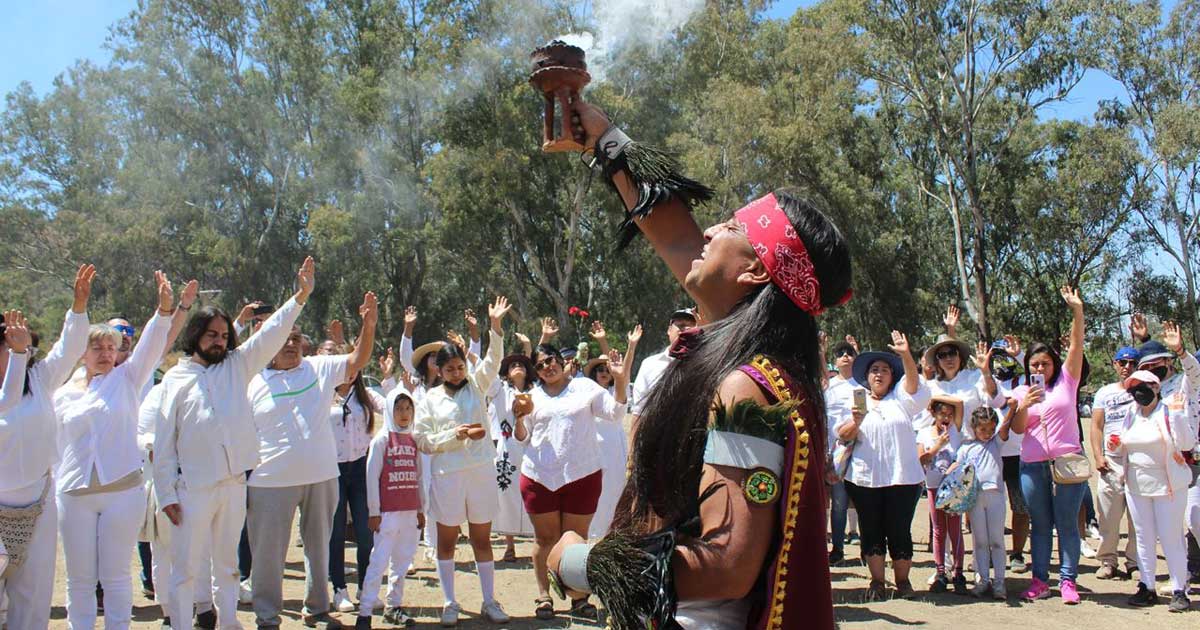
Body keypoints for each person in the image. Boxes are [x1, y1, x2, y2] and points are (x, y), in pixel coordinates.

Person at [547, 100, 851, 629]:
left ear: (757, 269)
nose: (708, 230)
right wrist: (604, 140)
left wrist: (577, 563)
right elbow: (673, 234)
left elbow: (727, 566)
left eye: (731, 227)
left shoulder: (747, 389)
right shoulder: (753, 365)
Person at [152, 257, 316, 630]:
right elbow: (163, 444)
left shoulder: (237, 365)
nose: (219, 341)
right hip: (190, 490)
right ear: (196, 336)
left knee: (228, 566)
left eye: (225, 336)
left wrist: (300, 298)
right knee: (185, 571)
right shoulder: (176, 379)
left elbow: (271, 334)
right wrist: (167, 495)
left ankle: (228, 622)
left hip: (233, 484)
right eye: (212, 335)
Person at [53, 271, 178, 629]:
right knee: (79, 579)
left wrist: (164, 310)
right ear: (82, 353)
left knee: (116, 576)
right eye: (98, 348)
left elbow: (152, 346)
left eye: (112, 348)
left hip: (123, 493)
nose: (107, 353)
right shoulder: (62, 394)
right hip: (74, 495)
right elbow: (53, 446)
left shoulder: (127, 379)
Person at [246, 292, 378, 630]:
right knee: (268, 555)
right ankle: (267, 615)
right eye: (283, 338)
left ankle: (317, 610)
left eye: (295, 338)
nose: (291, 343)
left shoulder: (317, 368)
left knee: (319, 548)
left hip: (322, 476)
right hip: (269, 481)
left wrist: (369, 324)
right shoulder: (249, 379)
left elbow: (357, 359)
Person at [0, 265, 94, 630]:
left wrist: (79, 307)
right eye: (9, 345)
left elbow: (69, 349)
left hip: (38, 502)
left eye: (20, 345)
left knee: (33, 594)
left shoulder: (38, 378)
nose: (17, 351)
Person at [412, 296, 512, 627]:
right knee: (447, 541)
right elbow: (422, 440)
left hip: (480, 472)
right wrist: (454, 435)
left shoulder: (477, 386)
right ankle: (449, 602)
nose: (456, 373)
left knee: (482, 539)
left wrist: (494, 326)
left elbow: (494, 360)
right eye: (449, 369)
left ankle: (488, 600)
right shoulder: (429, 399)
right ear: (438, 370)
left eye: (460, 367)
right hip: (447, 475)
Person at [516, 344, 629, 620]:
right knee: (545, 539)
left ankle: (579, 599)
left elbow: (615, 412)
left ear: (561, 360)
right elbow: (522, 437)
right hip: (538, 475)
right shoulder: (530, 397)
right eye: (540, 365)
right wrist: (518, 416)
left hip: (582, 474)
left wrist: (621, 379)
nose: (547, 367)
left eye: (551, 360)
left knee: (574, 540)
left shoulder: (585, 388)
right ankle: (544, 596)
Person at [1009, 286, 1088, 605]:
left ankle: (1068, 581)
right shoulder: (1021, 392)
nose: (1039, 370)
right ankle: (1040, 580)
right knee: (1040, 525)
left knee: (1067, 524)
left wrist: (1077, 312)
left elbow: (1077, 344)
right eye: (1034, 365)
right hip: (1032, 466)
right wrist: (1024, 404)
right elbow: (1016, 429)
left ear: (1054, 364)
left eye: (1044, 364)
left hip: (1068, 463)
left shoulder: (1068, 382)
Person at [838, 339, 930, 601]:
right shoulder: (855, 401)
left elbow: (914, 385)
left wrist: (905, 355)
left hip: (904, 478)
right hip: (864, 479)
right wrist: (856, 421)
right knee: (871, 530)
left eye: (885, 370)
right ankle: (877, 582)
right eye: (874, 370)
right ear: (867, 376)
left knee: (899, 530)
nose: (879, 373)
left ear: (892, 376)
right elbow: (843, 435)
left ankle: (903, 582)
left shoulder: (901, 398)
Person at [1118, 336, 1196, 613]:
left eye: (1144, 386)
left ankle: (1179, 589)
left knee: (1171, 537)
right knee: (1143, 536)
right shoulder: (1130, 414)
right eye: (1134, 387)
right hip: (1136, 486)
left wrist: (1177, 418)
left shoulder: (1170, 409)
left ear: (1156, 386)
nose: (1139, 391)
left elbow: (1186, 444)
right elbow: (1120, 446)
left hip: (1168, 487)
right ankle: (1147, 585)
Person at [356, 389, 424, 630]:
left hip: (409, 511)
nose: (404, 414)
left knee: (402, 561)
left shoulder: (414, 440)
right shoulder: (382, 440)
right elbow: (372, 477)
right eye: (398, 408)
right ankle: (364, 612)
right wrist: (374, 512)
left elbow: (419, 476)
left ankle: (393, 606)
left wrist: (420, 508)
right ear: (388, 410)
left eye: (408, 408)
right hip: (387, 513)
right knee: (379, 561)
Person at [329, 362, 388, 614]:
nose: (349, 374)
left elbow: (392, 406)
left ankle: (365, 587)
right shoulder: (323, 394)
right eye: (344, 368)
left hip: (361, 467)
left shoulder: (365, 394)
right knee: (336, 531)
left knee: (366, 532)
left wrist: (389, 380)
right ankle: (339, 589)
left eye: (354, 368)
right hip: (332, 469)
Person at [1090, 346, 1142, 580]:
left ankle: (1135, 561)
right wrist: (1098, 456)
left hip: (1138, 461)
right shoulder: (1104, 392)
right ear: (1115, 365)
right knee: (1108, 516)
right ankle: (1108, 560)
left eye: (1132, 363)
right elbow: (1096, 426)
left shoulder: (1145, 389)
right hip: (1111, 461)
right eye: (1122, 362)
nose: (1126, 367)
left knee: (1138, 517)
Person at [589, 324, 642, 540]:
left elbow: (623, 369)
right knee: (594, 494)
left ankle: (611, 535)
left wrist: (631, 345)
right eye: (600, 370)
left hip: (614, 447)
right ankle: (591, 535)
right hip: (592, 447)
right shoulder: (587, 390)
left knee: (614, 491)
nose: (604, 373)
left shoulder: (616, 390)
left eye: (607, 370)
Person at [955, 407, 1013, 600]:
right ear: (974, 428)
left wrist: (1012, 409)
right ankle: (982, 580)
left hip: (995, 495)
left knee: (996, 540)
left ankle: (999, 581)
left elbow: (1005, 429)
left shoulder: (996, 443)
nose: (987, 433)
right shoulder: (965, 447)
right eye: (982, 429)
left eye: (990, 429)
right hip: (975, 497)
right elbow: (959, 468)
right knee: (980, 541)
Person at [488, 351, 537, 562]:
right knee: (506, 495)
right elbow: (487, 375)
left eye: (522, 365)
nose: (518, 366)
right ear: (507, 372)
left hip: (532, 449)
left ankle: (539, 543)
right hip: (506, 449)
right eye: (512, 365)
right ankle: (509, 545)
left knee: (534, 496)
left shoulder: (537, 392)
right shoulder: (500, 390)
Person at [916, 397, 966, 594]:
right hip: (934, 486)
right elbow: (921, 458)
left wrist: (936, 396)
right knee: (939, 530)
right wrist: (937, 445)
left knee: (955, 530)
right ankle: (940, 572)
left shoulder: (956, 431)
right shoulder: (924, 433)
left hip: (953, 487)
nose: (946, 418)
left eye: (949, 415)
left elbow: (960, 403)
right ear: (933, 414)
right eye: (942, 414)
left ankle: (958, 572)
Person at [822, 336, 860, 564]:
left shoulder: (863, 384)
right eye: (841, 354)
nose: (845, 356)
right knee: (838, 503)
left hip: (863, 449)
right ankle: (837, 548)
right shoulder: (829, 387)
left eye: (850, 353)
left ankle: (869, 549)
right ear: (834, 362)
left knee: (864, 502)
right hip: (836, 452)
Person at [628, 308, 696, 428]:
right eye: (680, 325)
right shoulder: (650, 364)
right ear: (669, 330)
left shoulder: (704, 363)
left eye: (691, 327)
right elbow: (638, 411)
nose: (685, 330)